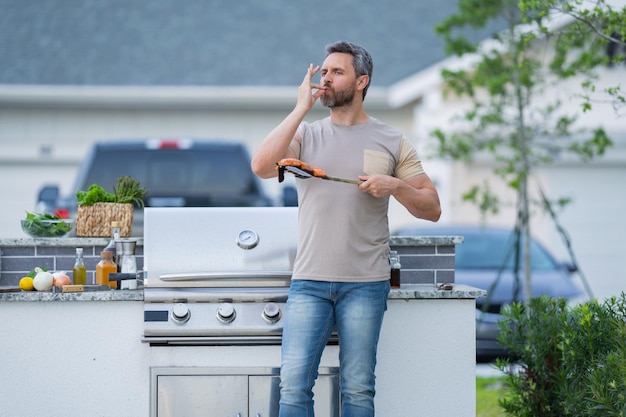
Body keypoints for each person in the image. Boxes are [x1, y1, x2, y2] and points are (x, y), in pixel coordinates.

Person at [251, 41, 441, 417]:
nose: (326, 77)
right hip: (309, 282)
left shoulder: (392, 141)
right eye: (324, 71)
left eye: (337, 72)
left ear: (361, 82)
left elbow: (432, 208)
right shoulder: (306, 136)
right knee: (292, 387)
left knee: (357, 391)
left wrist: (396, 187)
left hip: (366, 284)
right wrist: (300, 108)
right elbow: (260, 166)